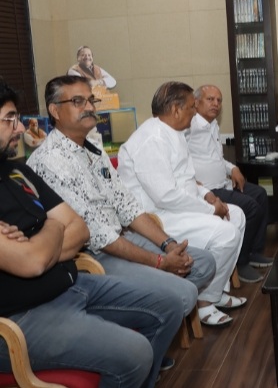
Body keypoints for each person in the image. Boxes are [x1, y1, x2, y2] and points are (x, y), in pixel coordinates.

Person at [0, 77, 183, 387]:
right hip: (21, 316)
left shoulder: (18, 171)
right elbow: (34, 262)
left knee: (170, 304)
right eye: (9, 119)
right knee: (135, 353)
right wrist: (54, 227)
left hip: (71, 283)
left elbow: (79, 229)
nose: (20, 128)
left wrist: (41, 239)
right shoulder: (44, 161)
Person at [28, 75, 217, 321]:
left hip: (122, 238)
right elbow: (97, 234)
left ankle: (154, 312)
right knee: (183, 294)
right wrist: (159, 262)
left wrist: (168, 245)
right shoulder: (50, 160)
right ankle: (146, 323)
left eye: (91, 100)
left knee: (204, 263)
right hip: (94, 255)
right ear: (54, 111)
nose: (89, 107)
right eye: (78, 101)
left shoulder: (94, 150)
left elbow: (128, 206)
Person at [117, 81, 246, 327]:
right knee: (226, 233)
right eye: (191, 107)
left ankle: (215, 292)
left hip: (180, 207)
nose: (194, 112)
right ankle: (204, 303)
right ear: (176, 110)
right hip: (157, 218)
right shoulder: (151, 139)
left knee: (237, 215)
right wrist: (210, 210)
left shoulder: (173, 133)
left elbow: (187, 178)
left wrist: (208, 195)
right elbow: (165, 195)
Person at [187, 84, 273, 283]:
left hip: (223, 184)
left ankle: (254, 252)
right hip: (207, 190)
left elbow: (216, 159)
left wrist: (233, 168)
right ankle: (241, 263)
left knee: (260, 194)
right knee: (250, 207)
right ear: (196, 103)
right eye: (210, 99)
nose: (216, 104)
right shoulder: (189, 126)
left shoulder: (213, 125)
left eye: (219, 100)